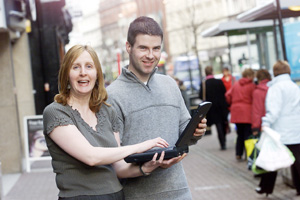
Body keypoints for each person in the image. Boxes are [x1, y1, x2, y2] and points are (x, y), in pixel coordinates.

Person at [43, 45, 170, 200]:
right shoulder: (56, 112)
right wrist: (139, 147)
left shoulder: (107, 111)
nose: (83, 72)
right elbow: (91, 157)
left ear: (97, 73)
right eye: (76, 67)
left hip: (115, 195)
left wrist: (145, 168)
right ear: (66, 74)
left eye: (89, 66)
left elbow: (119, 167)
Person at [106, 16, 207, 200]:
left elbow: (186, 136)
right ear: (128, 47)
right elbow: (114, 162)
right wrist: (146, 168)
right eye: (143, 48)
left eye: (156, 48)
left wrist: (197, 131)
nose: (150, 55)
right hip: (139, 196)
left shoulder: (169, 84)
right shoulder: (112, 95)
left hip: (180, 191)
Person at [258, 60, 300, 197]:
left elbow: (273, 110)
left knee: (272, 158)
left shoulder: (275, 88)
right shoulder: (294, 86)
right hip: (296, 130)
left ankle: (265, 188)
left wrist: (265, 123)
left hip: (281, 131)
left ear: (275, 73)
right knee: (297, 161)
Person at [225, 68, 255, 161]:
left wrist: (232, 103)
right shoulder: (252, 85)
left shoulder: (236, 84)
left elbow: (227, 95)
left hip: (236, 112)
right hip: (247, 113)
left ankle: (238, 153)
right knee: (247, 134)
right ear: (250, 76)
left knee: (240, 134)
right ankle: (249, 154)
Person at [199, 66, 229, 150]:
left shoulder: (204, 84)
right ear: (212, 72)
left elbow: (201, 95)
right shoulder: (219, 82)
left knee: (218, 124)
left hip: (211, 107)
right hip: (221, 106)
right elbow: (224, 92)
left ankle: (222, 142)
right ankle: (223, 140)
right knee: (222, 123)